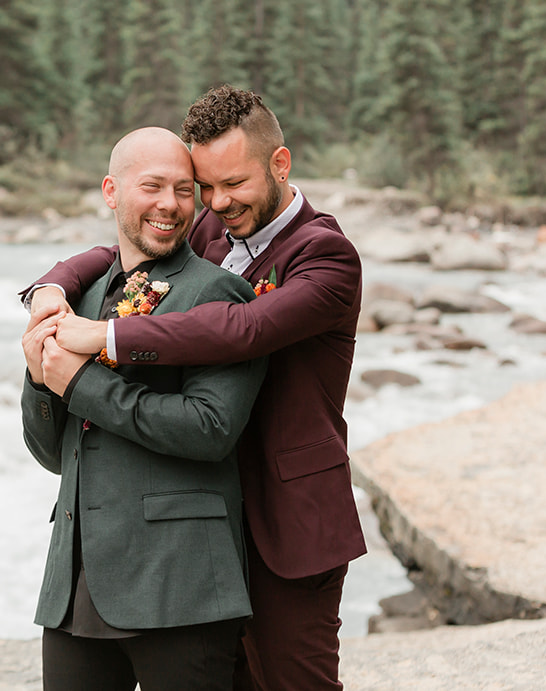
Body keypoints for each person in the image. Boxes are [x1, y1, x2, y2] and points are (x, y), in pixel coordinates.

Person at [24, 87, 364, 691]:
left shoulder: (327, 256)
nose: (216, 202)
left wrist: (105, 336)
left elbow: (244, 327)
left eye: (232, 184)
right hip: (197, 516)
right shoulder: (213, 224)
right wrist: (49, 288)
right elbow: (115, 250)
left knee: (293, 683)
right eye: (204, 186)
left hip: (283, 517)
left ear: (279, 165)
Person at [21, 126, 266, 691]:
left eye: (184, 190)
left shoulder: (217, 294)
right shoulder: (74, 298)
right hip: (75, 584)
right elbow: (51, 454)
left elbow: (212, 429)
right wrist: (40, 381)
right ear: (112, 191)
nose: (170, 205)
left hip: (181, 585)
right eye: (152, 186)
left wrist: (79, 383)